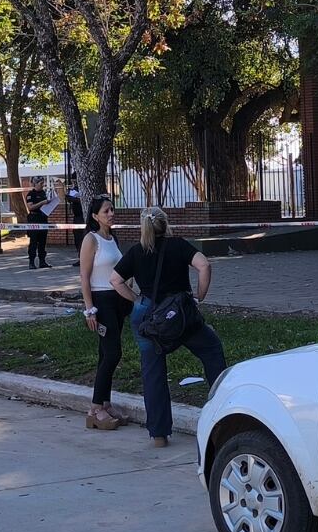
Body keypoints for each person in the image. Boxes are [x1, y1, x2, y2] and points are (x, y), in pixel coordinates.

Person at [109, 206, 226, 448]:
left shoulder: (136, 252)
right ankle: (223, 413)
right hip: (180, 315)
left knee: (152, 372)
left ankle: (159, 434)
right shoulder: (179, 245)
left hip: (149, 316)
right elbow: (204, 265)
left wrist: (137, 299)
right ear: (166, 224)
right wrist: (200, 296)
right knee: (211, 350)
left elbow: (115, 280)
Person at [78, 196, 127, 430]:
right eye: (106, 211)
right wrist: (90, 310)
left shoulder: (112, 238)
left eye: (112, 209)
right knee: (112, 353)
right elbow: (85, 278)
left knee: (104, 353)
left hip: (118, 300)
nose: (111, 214)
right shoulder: (91, 239)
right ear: (95, 215)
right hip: (102, 300)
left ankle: (106, 404)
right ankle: (95, 408)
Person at [24, 177, 51, 269]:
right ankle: (31, 262)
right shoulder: (31, 194)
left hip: (43, 218)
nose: (42, 185)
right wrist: (42, 203)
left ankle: (42, 261)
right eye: (40, 184)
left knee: (42, 242)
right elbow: (30, 207)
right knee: (34, 242)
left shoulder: (44, 193)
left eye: (43, 184)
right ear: (35, 184)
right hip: (34, 219)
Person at [64, 182, 85, 267]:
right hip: (76, 217)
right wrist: (68, 196)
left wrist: (74, 198)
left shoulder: (84, 189)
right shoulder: (73, 190)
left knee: (83, 238)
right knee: (77, 238)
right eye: (72, 181)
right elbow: (69, 199)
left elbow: (81, 200)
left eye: (75, 180)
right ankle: (80, 258)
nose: (74, 183)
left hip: (83, 217)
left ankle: (85, 258)